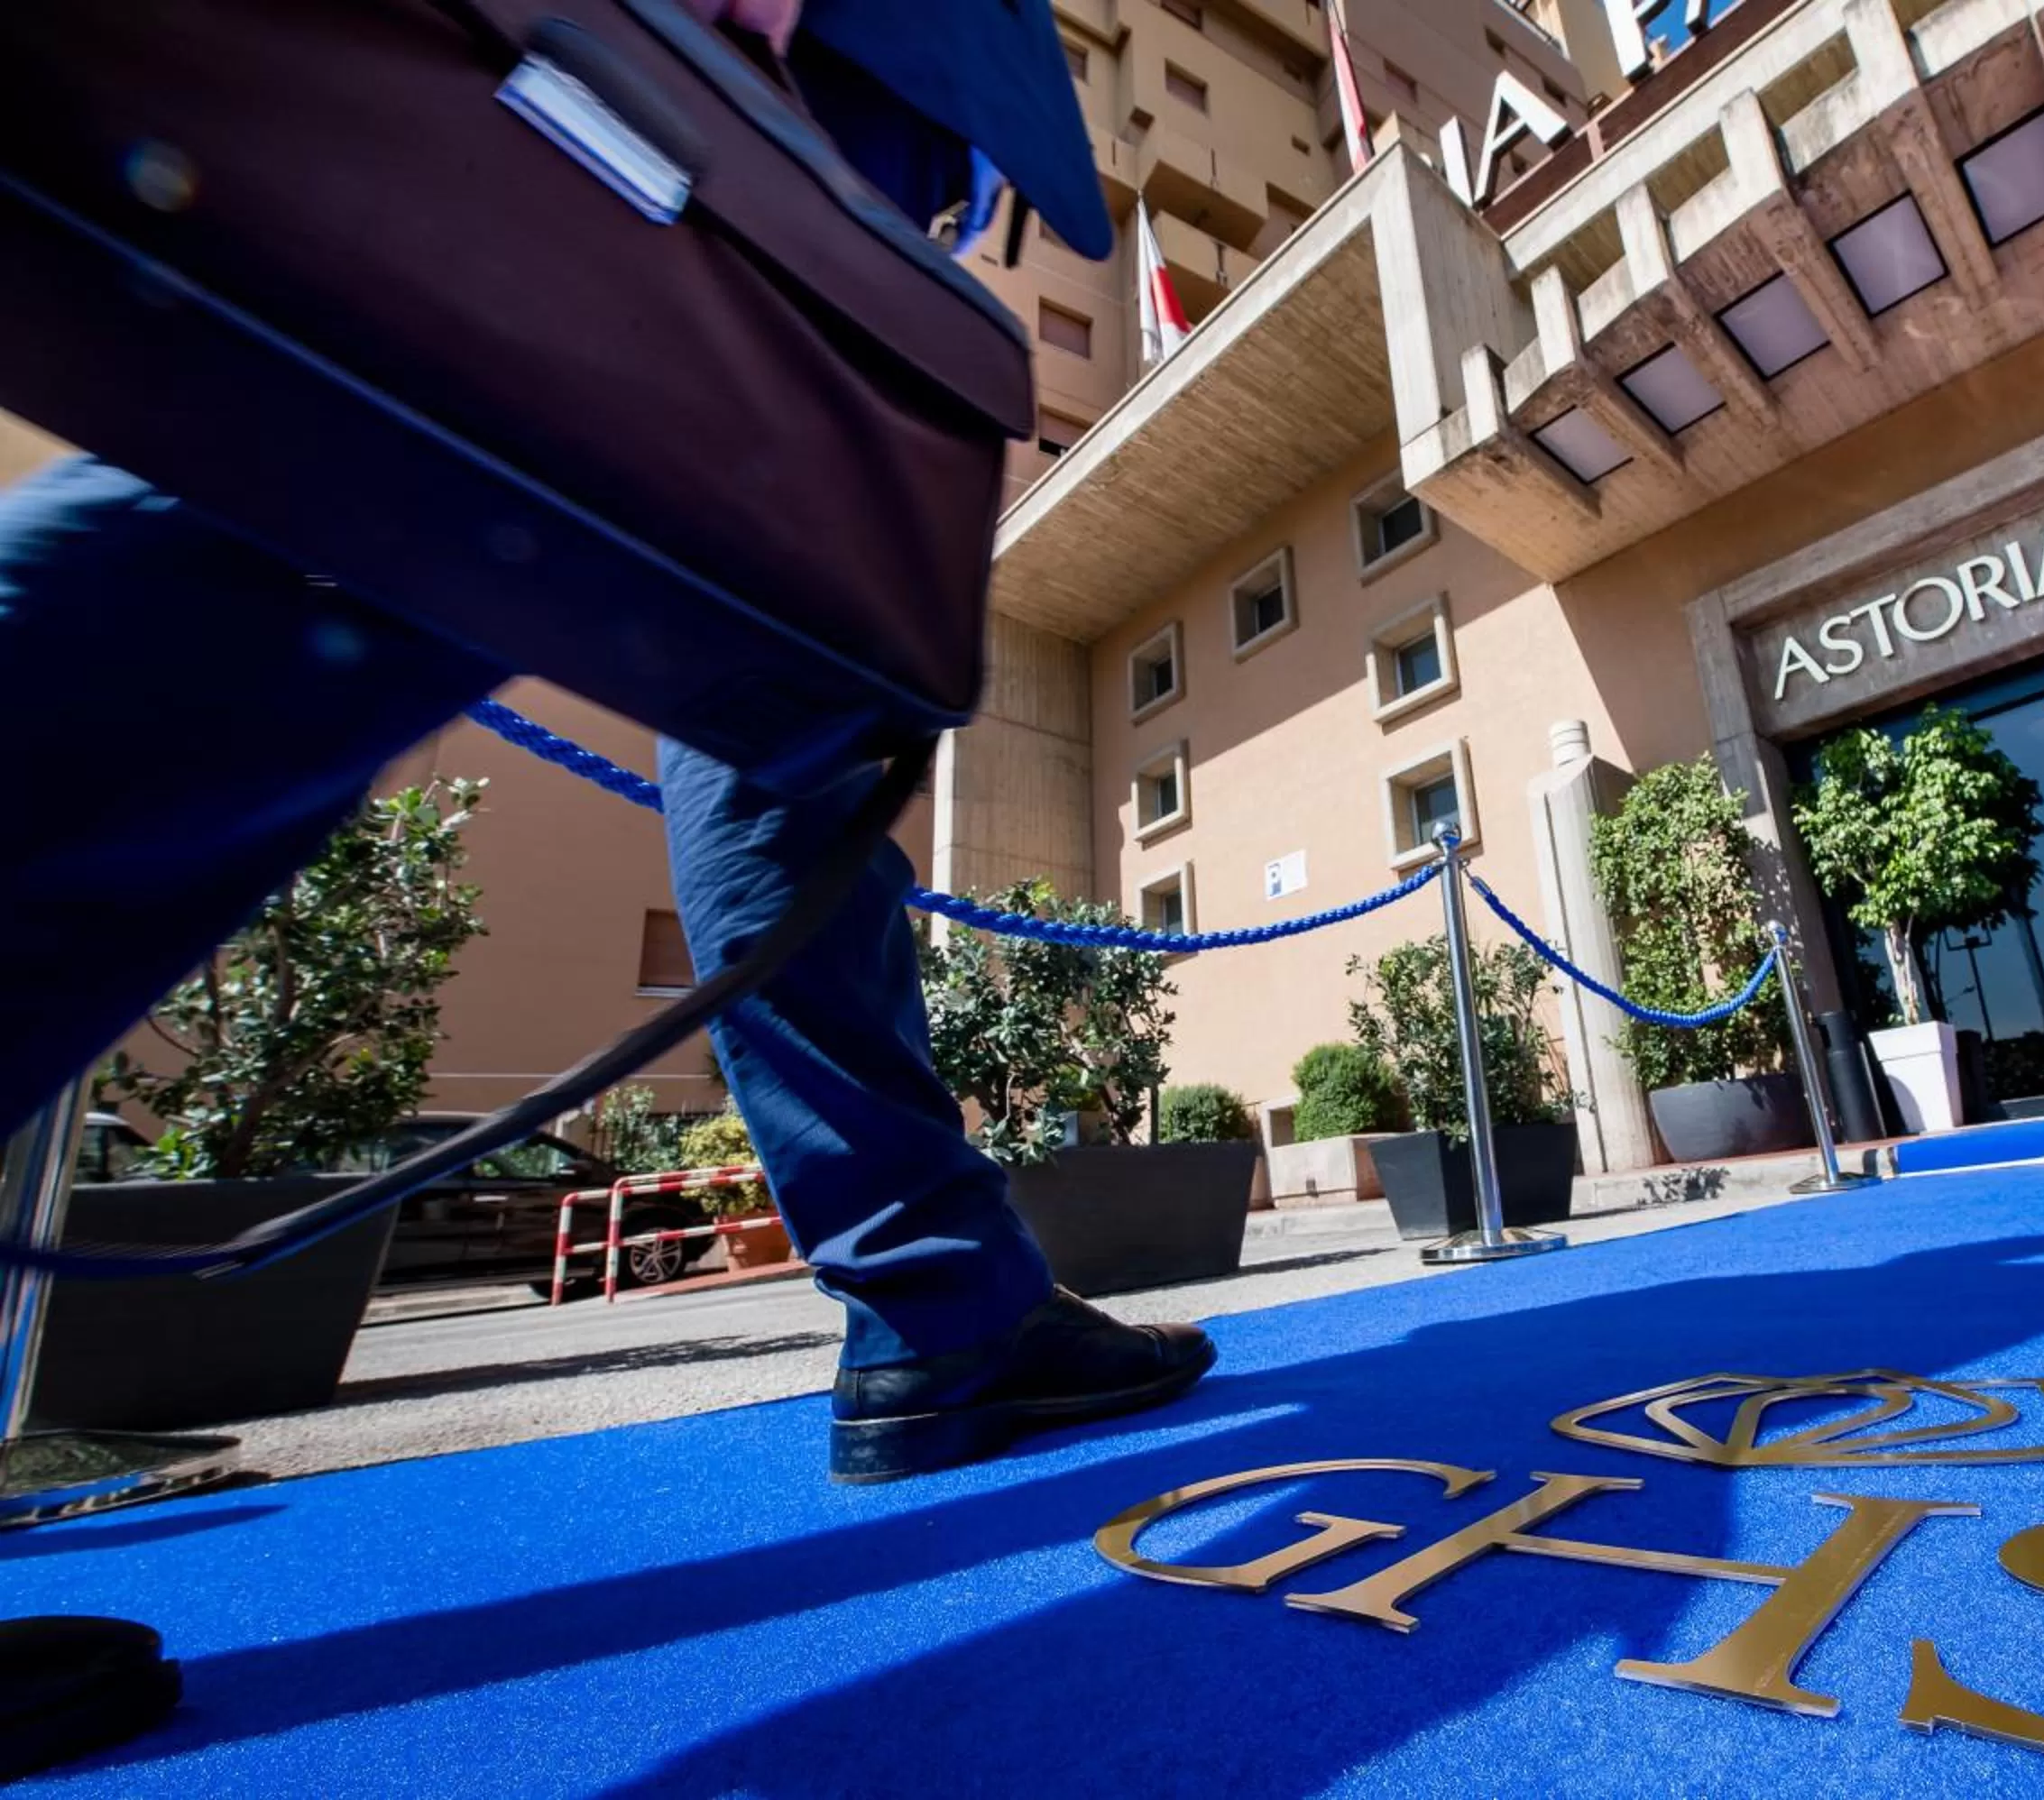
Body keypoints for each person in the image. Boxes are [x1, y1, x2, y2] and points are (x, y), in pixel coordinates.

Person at [0, 0, 1212, 1483]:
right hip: (763, 59)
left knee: (783, 708)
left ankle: (946, 1294)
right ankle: (942, 1293)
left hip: (837, 84)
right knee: (330, 503)